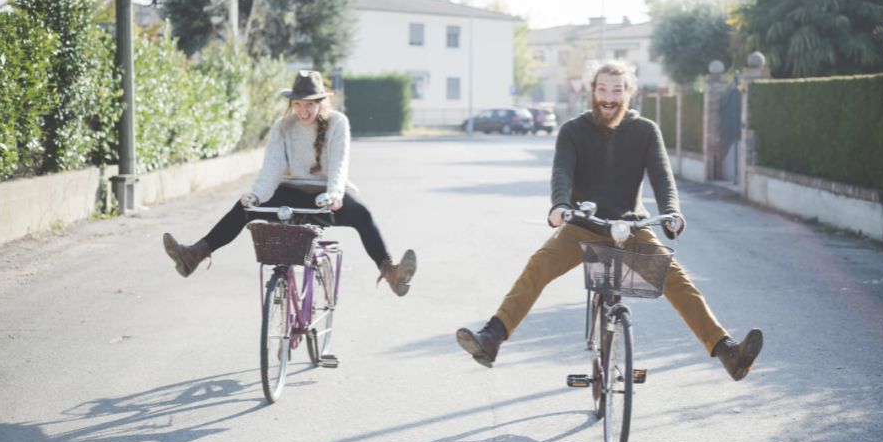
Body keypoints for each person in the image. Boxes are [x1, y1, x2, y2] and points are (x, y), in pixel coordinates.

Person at [455, 59, 762, 380]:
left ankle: (727, 351)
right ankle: (492, 337)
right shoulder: (573, 130)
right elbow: (562, 171)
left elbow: (662, 177)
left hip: (632, 227)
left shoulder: (645, 131)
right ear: (592, 90)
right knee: (539, 264)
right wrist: (560, 205)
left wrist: (672, 212)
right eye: (602, 88)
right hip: (583, 225)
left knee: (676, 278)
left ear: (630, 92)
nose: (609, 97)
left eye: (617, 90)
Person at [163, 70, 416, 295]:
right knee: (243, 208)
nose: (303, 110)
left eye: (309, 104)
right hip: (290, 192)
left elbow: (339, 163)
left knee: (362, 213)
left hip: (326, 195)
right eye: (297, 104)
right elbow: (272, 167)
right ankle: (193, 255)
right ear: (291, 104)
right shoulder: (282, 126)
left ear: (320, 103)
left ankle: (390, 272)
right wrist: (256, 196)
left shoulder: (338, 122)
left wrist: (336, 194)